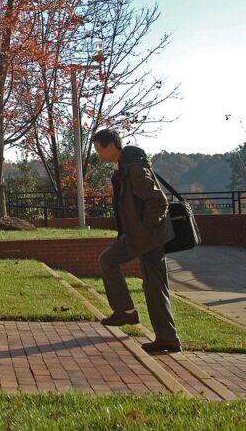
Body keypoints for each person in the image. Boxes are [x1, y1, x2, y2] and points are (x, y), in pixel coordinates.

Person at [91, 129, 181, 353]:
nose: (99, 155)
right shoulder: (123, 168)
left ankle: (128, 313)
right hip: (140, 236)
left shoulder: (135, 169)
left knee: (109, 261)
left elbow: (158, 202)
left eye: (100, 150)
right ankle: (165, 336)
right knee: (154, 287)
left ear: (112, 145)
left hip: (147, 236)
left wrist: (146, 229)